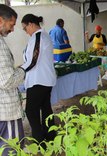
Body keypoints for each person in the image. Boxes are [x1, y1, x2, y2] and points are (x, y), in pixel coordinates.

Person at [21, 14, 57, 145]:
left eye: (25, 28)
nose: (26, 32)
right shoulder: (43, 36)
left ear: (31, 24)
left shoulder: (38, 36)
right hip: (44, 79)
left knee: (31, 111)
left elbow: (33, 59)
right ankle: (50, 136)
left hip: (39, 80)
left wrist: (20, 70)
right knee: (45, 108)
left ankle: (39, 141)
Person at [0, 4, 26, 155]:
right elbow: (7, 80)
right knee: (12, 150)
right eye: (11, 24)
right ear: (0, 20)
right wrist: (22, 71)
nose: (13, 29)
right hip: (6, 111)